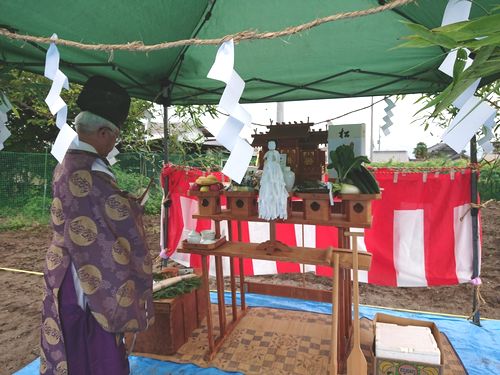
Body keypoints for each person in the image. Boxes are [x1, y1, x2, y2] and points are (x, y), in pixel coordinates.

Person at [40, 76, 154, 375]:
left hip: (63, 265)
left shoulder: (65, 162)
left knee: (71, 340)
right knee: (95, 344)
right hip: (90, 277)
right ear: (103, 132)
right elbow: (118, 221)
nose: (113, 143)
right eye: (114, 137)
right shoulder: (91, 172)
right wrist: (135, 208)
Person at [258, 140, 288, 220]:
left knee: (276, 187)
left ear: (275, 145)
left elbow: (277, 160)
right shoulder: (268, 152)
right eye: (269, 144)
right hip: (268, 170)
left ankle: (277, 211)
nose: (271, 146)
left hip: (274, 170)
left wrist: (272, 162)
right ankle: (268, 211)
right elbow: (264, 158)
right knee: (268, 188)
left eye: (272, 144)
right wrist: (267, 162)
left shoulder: (276, 152)